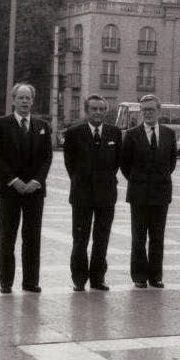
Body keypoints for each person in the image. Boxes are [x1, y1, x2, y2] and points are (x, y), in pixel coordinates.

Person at [0, 82, 53, 294]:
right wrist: (14, 181)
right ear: (14, 100)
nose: (25, 101)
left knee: (32, 237)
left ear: (32, 101)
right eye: (21, 98)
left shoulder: (42, 125)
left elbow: (47, 157)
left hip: (35, 192)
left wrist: (37, 181)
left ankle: (30, 282)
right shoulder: (1, 124)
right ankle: (6, 282)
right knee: (7, 237)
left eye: (28, 98)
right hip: (10, 190)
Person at [63, 94, 121, 291]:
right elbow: (70, 164)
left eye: (101, 109)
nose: (98, 112)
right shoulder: (73, 133)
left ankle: (98, 278)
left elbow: (116, 163)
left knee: (102, 237)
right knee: (80, 238)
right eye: (94, 109)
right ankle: (79, 279)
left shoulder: (115, 133)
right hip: (82, 195)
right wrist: (82, 181)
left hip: (106, 194)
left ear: (105, 111)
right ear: (86, 111)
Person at [121, 95, 176, 288]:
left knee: (157, 237)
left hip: (161, 194)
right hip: (139, 194)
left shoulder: (169, 134)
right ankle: (139, 276)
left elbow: (171, 163)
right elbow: (125, 165)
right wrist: (140, 182)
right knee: (138, 237)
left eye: (151, 109)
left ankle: (155, 276)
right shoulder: (132, 134)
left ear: (159, 111)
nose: (147, 113)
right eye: (144, 110)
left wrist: (156, 181)